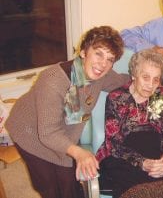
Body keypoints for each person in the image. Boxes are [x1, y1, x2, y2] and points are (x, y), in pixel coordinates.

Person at [5, 26, 130, 198]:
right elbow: (48, 133)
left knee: (68, 186)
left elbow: (124, 80)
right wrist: (79, 152)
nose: (103, 64)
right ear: (84, 52)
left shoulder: (103, 76)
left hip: (60, 132)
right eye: (98, 54)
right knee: (49, 187)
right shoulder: (53, 80)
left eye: (110, 59)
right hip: (29, 131)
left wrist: (151, 79)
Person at [96, 49, 163, 198]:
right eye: (145, 77)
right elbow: (113, 144)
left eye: (156, 79)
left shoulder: (159, 96)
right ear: (133, 75)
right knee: (137, 187)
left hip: (154, 154)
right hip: (122, 157)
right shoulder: (117, 98)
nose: (150, 85)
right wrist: (142, 163)